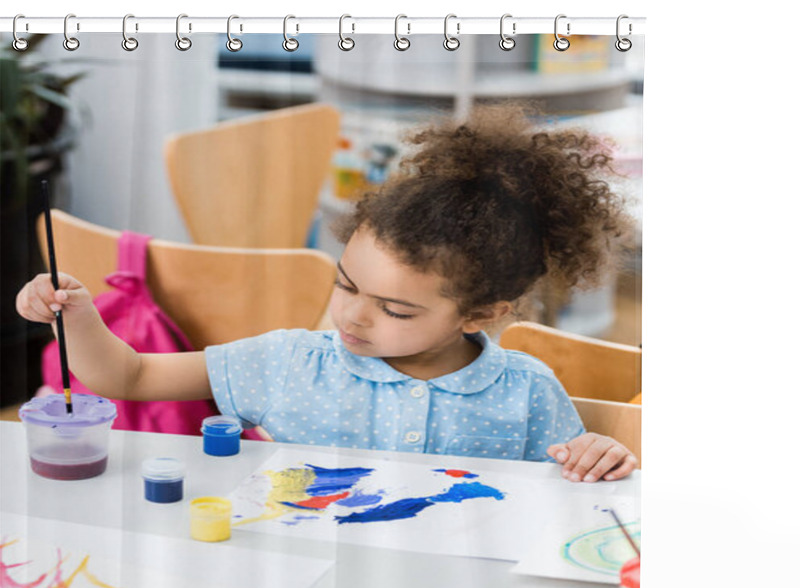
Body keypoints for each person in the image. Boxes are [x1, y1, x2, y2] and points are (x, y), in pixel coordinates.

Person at [16, 104, 637, 483]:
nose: (353, 315)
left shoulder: (527, 393)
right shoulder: (290, 363)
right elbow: (128, 377)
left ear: (482, 314)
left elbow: (569, 488)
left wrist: (597, 455)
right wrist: (76, 316)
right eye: (346, 284)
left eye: (395, 309)